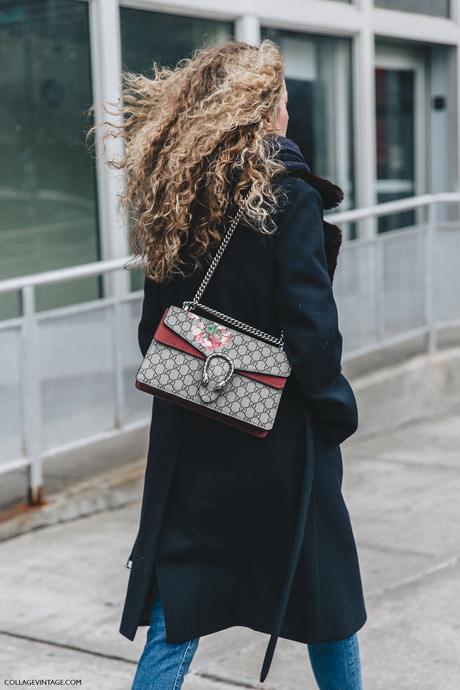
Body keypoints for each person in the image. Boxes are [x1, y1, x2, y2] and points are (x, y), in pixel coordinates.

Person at [104, 39, 367, 689]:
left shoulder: (176, 196)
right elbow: (311, 333)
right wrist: (334, 410)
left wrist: (212, 374)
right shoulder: (290, 196)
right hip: (281, 441)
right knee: (327, 601)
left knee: (178, 608)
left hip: (194, 435)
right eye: (281, 101)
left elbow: (155, 333)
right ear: (267, 110)